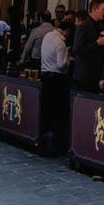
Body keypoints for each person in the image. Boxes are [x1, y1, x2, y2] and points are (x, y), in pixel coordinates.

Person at [40, 19, 72, 155]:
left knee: (46, 110)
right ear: (67, 31)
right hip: (57, 79)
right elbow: (61, 65)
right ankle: (53, 144)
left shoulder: (47, 36)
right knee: (56, 111)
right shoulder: (60, 43)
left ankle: (44, 141)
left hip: (45, 75)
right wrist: (68, 59)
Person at [72, 0, 104, 93]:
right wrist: (97, 43)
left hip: (96, 74)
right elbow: (76, 49)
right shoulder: (83, 26)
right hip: (84, 75)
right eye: (103, 9)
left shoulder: (101, 25)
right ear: (95, 9)